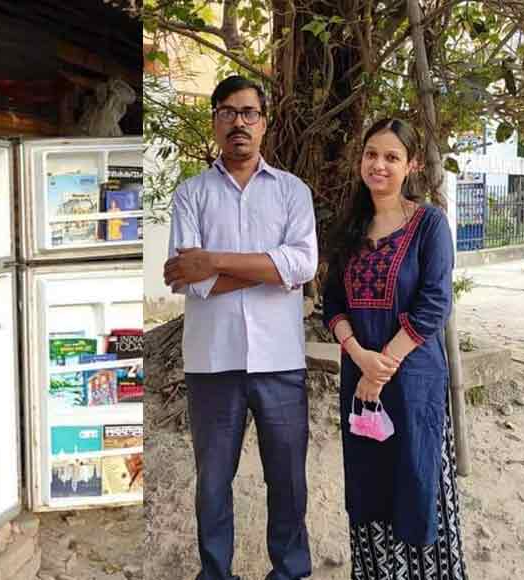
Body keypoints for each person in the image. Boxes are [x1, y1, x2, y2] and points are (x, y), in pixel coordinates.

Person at [163, 75, 318, 580]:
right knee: (212, 482)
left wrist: (216, 262)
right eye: (228, 112)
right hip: (212, 361)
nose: (239, 123)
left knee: (288, 479)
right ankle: (215, 572)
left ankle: (290, 571)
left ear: (264, 122)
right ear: (214, 121)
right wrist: (268, 272)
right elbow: (189, 280)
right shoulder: (191, 194)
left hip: (280, 362)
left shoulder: (293, 192)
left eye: (249, 112)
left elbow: (303, 265)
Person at [322, 118, 468, 579]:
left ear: (411, 166)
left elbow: (434, 303)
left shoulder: (429, 224)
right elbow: (332, 304)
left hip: (414, 386)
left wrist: (382, 365)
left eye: (391, 157)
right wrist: (360, 358)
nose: (378, 165)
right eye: (371, 154)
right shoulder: (348, 228)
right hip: (360, 383)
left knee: (416, 481)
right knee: (368, 485)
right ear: (360, 160)